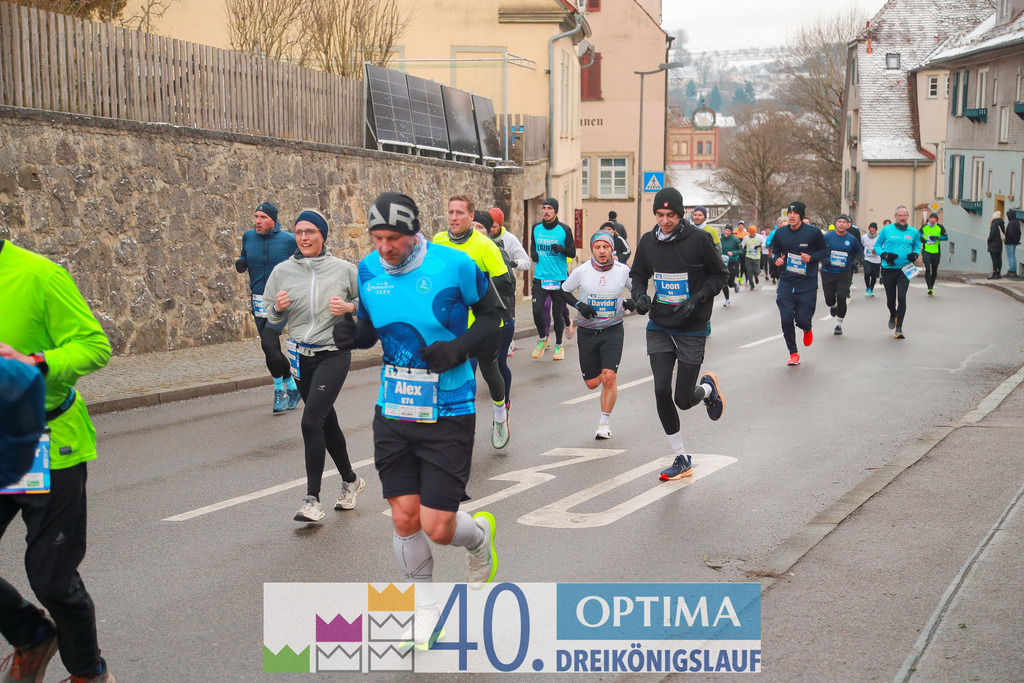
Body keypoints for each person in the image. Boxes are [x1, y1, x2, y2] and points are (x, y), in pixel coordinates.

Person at [332, 192, 500, 649]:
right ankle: (425, 611)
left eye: (394, 238)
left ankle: (478, 536)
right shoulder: (368, 270)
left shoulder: (455, 264)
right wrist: (351, 335)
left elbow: (494, 317)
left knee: (438, 527)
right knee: (405, 517)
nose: (385, 247)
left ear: (414, 233)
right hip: (394, 408)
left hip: (449, 409)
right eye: (377, 238)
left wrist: (458, 348)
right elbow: (371, 330)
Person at [0, 239, 115, 682]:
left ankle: (88, 673)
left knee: (50, 577)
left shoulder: (40, 276)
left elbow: (94, 345)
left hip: (47, 443)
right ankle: (31, 634)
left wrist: (35, 361)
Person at [264, 210, 365, 522]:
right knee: (325, 421)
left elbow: (370, 303)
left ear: (323, 235)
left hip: (334, 353)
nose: (304, 237)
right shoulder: (282, 271)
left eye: (310, 231)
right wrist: (277, 308)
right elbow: (270, 313)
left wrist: (349, 307)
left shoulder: (343, 269)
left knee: (310, 422)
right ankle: (351, 480)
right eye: (299, 232)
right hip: (300, 356)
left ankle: (312, 499)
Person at [629, 188, 727, 480]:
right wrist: (639, 296)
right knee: (661, 390)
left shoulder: (699, 239)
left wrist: (697, 299)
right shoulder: (647, 242)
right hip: (659, 325)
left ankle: (707, 389)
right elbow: (638, 275)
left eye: (670, 215)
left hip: (692, 328)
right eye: (660, 215)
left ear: (681, 214)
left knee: (683, 400)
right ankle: (681, 457)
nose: (665, 221)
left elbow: (720, 275)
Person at [434, 197, 511, 449]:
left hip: (484, 324)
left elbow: (505, 282)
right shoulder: (438, 241)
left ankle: (500, 415)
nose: (454, 217)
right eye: (451, 212)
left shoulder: (484, 245)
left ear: (470, 216)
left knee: (489, 371)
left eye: (460, 213)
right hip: (453, 324)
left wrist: (471, 291)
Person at [560, 232, 634, 439]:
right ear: (592, 249)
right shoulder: (582, 271)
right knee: (592, 383)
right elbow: (563, 291)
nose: (602, 251)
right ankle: (606, 375)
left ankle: (604, 423)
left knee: (609, 377)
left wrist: (634, 302)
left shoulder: (622, 271)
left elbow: (638, 289)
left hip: (613, 329)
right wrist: (580, 305)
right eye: (597, 247)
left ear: (612, 249)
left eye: (606, 247)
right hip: (587, 331)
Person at [235, 202, 301, 414]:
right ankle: (292, 387)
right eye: (256, 217)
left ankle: (279, 390)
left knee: (267, 343)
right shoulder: (248, 237)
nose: (258, 221)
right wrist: (241, 263)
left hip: (279, 301)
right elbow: (244, 256)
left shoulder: (288, 240)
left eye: (263, 217)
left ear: (273, 219)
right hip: (258, 301)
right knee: (271, 347)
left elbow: (302, 265)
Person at [770, 200, 829, 365]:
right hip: (787, 281)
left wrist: (811, 257)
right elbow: (774, 250)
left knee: (803, 320)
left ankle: (807, 328)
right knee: (786, 318)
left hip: (806, 282)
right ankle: (793, 353)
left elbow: (825, 251)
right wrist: (776, 259)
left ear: (801, 215)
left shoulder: (813, 232)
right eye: (789, 213)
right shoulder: (780, 233)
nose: (791, 216)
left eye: (795, 213)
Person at [530, 198, 576, 361]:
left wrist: (562, 249)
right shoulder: (536, 228)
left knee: (557, 314)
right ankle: (543, 339)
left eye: (550, 208)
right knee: (537, 310)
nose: (546, 211)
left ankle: (559, 345)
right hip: (540, 278)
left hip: (558, 278)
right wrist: (533, 253)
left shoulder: (564, 230)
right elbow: (533, 244)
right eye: (544, 208)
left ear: (555, 211)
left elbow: (572, 252)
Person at [487, 207, 529, 358]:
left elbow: (526, 262)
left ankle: (508, 340)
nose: (491, 230)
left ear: (501, 225)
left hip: (505, 284)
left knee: (508, 314)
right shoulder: (482, 237)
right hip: (488, 283)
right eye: (489, 226)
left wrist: (513, 263)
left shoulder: (510, 239)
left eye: (494, 226)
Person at [875, 205, 922, 339]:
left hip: (904, 269)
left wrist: (915, 254)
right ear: (895, 216)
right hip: (889, 268)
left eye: (904, 215)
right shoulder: (887, 230)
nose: (902, 218)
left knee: (902, 297)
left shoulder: (913, 231)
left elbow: (917, 246)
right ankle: (892, 314)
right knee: (890, 300)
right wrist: (885, 255)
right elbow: (877, 245)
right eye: (899, 215)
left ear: (908, 216)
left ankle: (899, 328)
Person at [820, 214, 863, 335]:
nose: (841, 224)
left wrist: (855, 262)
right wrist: (823, 260)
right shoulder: (827, 237)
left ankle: (838, 324)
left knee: (842, 296)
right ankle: (833, 305)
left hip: (844, 272)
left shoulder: (852, 239)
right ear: (836, 224)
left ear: (847, 225)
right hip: (828, 272)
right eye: (839, 222)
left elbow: (860, 253)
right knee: (829, 299)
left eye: (844, 222)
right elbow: (819, 250)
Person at [918, 212, 947, 294]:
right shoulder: (924, 227)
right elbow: (918, 234)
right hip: (926, 250)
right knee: (927, 268)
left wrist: (937, 237)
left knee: (934, 269)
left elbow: (946, 237)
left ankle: (932, 286)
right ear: (929, 219)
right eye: (931, 218)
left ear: (936, 220)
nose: (933, 220)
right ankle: (929, 288)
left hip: (936, 251)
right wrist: (921, 239)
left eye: (934, 218)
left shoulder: (940, 227)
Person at [720, 225, 742, 305]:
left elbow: (742, 250)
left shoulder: (735, 240)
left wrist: (733, 253)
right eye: (726, 230)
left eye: (728, 231)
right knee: (723, 282)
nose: (726, 232)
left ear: (731, 232)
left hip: (732, 262)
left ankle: (734, 284)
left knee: (730, 282)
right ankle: (727, 299)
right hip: (722, 262)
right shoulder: (720, 239)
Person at [741, 225, 765, 290]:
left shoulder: (759, 237)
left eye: (754, 232)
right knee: (749, 271)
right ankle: (752, 285)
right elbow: (742, 245)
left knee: (756, 271)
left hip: (757, 257)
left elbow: (765, 243)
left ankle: (756, 276)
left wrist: (760, 246)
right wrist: (742, 250)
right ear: (749, 233)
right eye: (752, 233)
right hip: (748, 257)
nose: (753, 234)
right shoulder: (746, 238)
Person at [861, 222, 882, 297]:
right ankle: (867, 288)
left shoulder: (879, 237)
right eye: (871, 228)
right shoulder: (864, 237)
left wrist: (877, 250)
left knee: (874, 275)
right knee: (867, 272)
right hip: (867, 258)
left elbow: (882, 246)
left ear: (876, 229)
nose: (872, 230)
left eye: (873, 228)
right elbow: (862, 244)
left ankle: (872, 289)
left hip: (876, 259)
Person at [987, 211, 1005, 280]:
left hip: (993, 244)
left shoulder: (994, 224)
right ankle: (998, 273)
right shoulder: (1002, 224)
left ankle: (994, 274)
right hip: (999, 244)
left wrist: (989, 240)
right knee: (998, 259)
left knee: (994, 259)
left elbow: (992, 235)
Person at [1004, 210, 1020, 277]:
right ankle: (1014, 270)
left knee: (1010, 256)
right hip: (1015, 242)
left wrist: (1006, 238)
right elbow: (1019, 232)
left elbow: (1010, 233)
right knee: (1013, 255)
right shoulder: (1017, 222)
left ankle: (1011, 270)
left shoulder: (1011, 223)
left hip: (1010, 242)